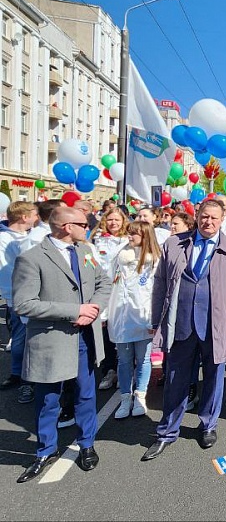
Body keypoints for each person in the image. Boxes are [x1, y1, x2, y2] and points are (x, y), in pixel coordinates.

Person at [142, 199, 226, 461]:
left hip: (217, 326)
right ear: (197, 216)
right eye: (204, 217)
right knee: (175, 380)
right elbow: (159, 285)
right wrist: (156, 320)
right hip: (181, 324)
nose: (208, 222)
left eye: (214, 218)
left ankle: (208, 425)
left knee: (214, 379)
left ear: (223, 219)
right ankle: (167, 431)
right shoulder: (174, 244)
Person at [12, 207, 112, 482]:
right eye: (84, 224)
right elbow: (24, 303)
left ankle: (86, 443)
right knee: (48, 400)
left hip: (85, 338)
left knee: (85, 394)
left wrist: (94, 309)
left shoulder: (86, 252)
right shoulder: (31, 259)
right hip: (51, 341)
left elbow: (104, 283)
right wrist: (74, 310)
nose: (88, 227)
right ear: (68, 227)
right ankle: (45, 450)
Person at [107, 221, 161, 419]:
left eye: (134, 234)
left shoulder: (154, 261)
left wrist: (154, 319)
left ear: (145, 236)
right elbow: (108, 283)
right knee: (124, 360)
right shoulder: (119, 256)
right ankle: (125, 397)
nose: (129, 237)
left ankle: (140, 396)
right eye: (128, 233)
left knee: (144, 359)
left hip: (143, 318)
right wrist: (105, 313)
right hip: (121, 316)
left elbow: (157, 293)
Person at [0, 201, 39, 403]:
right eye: (34, 214)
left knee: (28, 342)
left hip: (35, 297)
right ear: (24, 217)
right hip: (20, 298)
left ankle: (23, 376)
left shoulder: (29, 237)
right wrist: (14, 297)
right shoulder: (5, 240)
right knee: (21, 342)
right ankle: (23, 380)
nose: (37, 217)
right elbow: (7, 271)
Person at [89, 206, 130, 392]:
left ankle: (126, 370)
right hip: (101, 290)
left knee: (122, 333)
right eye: (110, 220)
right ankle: (109, 369)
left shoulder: (127, 241)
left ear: (123, 223)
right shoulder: (96, 240)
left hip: (121, 291)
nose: (113, 223)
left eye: (117, 220)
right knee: (105, 334)